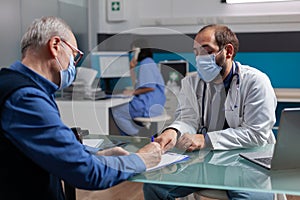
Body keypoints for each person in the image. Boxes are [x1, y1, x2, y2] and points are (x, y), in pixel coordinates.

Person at [0, 16, 162, 200]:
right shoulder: (26, 98)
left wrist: (97, 153)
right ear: (55, 45)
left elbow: (52, 146)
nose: (73, 65)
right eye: (74, 56)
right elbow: (87, 173)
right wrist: (140, 159)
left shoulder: (11, 83)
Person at [143, 24, 277, 199]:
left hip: (248, 163)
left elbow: (256, 134)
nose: (199, 59)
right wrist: (173, 131)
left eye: (206, 52)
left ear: (228, 51)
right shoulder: (191, 83)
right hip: (205, 161)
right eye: (196, 53)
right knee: (154, 187)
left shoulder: (255, 82)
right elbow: (187, 119)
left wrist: (205, 139)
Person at [111, 39, 166, 136]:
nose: (132, 54)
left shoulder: (146, 64)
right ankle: (137, 134)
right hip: (155, 106)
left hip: (147, 106)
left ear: (138, 51)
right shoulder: (149, 62)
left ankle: (136, 136)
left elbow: (150, 87)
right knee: (122, 109)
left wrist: (132, 93)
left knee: (116, 111)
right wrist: (132, 68)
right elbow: (136, 85)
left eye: (133, 52)